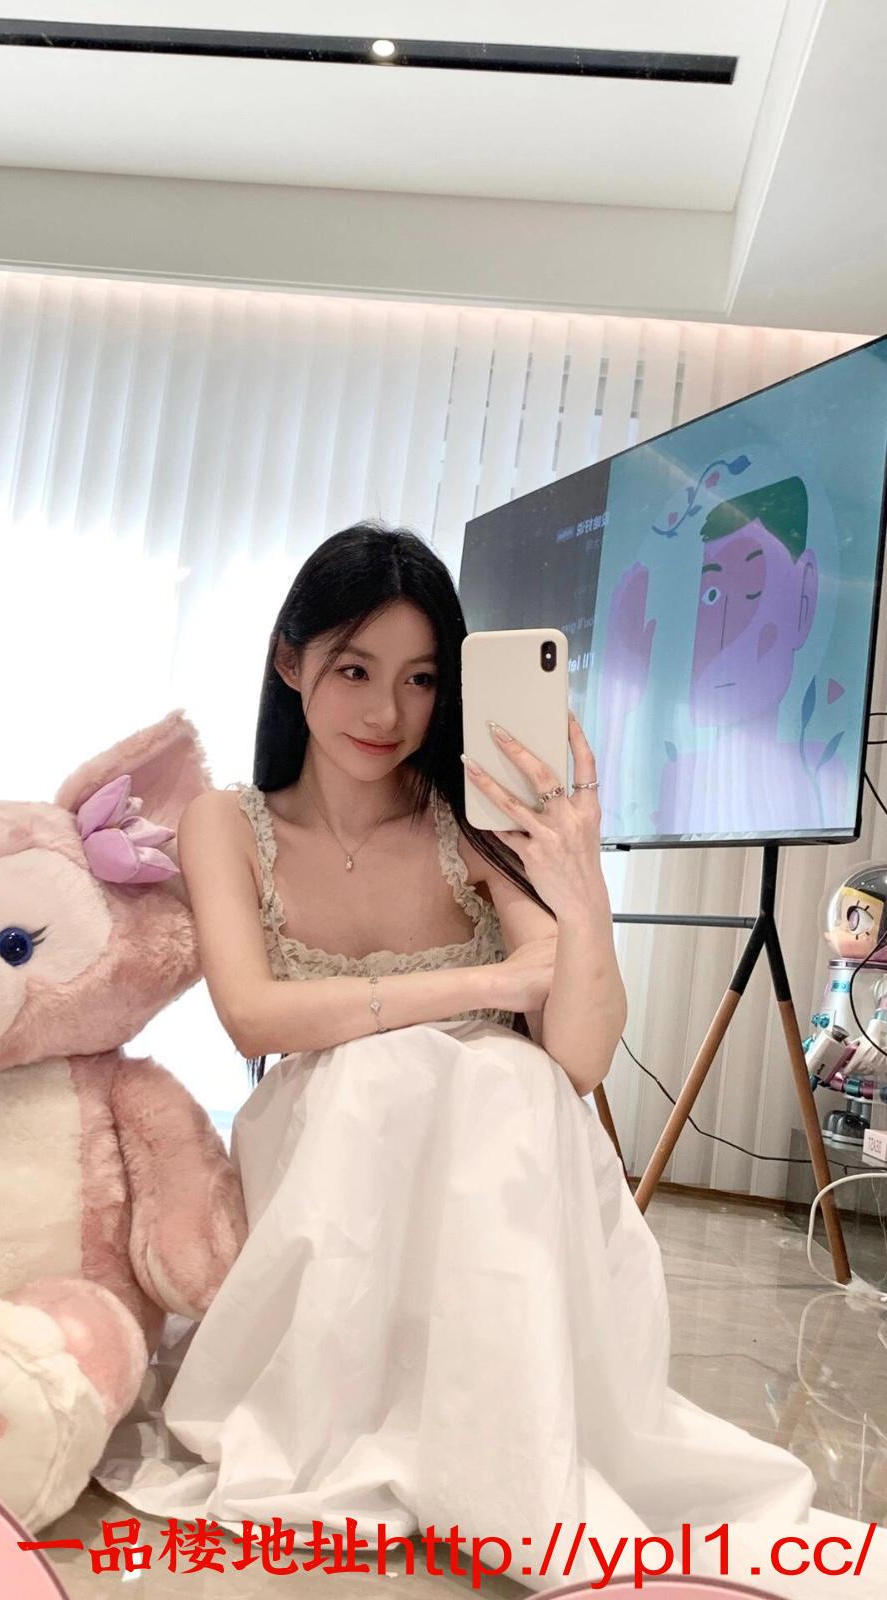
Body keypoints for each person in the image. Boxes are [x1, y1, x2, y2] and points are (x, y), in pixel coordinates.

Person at [94, 524, 884, 1596]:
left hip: (486, 1134)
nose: (387, 712)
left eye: (421, 678)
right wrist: (484, 985)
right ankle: (426, 1442)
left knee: (511, 1079)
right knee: (407, 1074)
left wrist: (582, 886)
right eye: (354, 670)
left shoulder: (467, 822)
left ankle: (512, 1452)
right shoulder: (225, 823)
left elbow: (578, 1058)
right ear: (289, 660)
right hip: (332, 1133)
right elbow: (253, 1017)